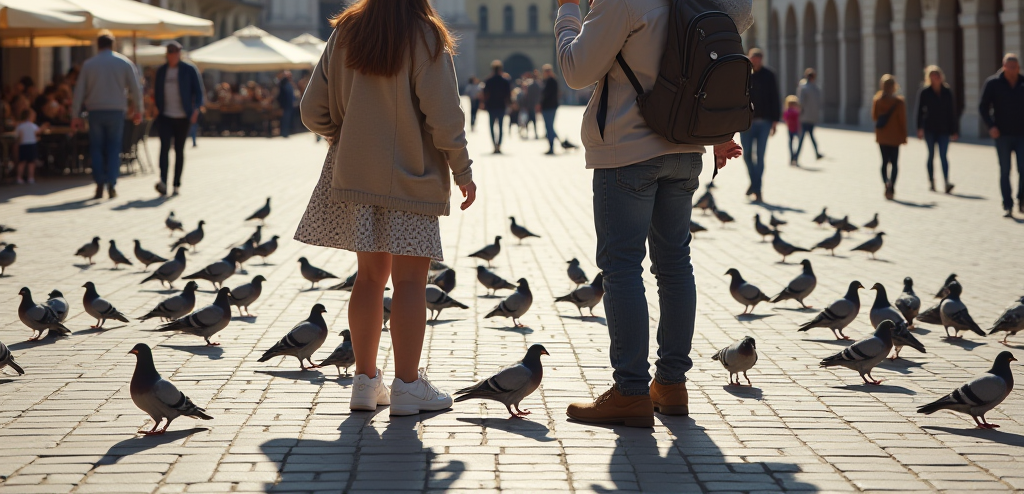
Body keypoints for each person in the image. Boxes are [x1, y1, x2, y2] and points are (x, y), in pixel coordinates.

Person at [555, 0, 749, 427]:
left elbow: (576, 70)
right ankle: (671, 385)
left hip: (628, 151)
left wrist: (568, 12)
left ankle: (629, 392)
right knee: (676, 267)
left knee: (622, 268)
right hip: (686, 149)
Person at [297, 0, 476, 416]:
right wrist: (462, 170)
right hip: (411, 177)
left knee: (369, 278)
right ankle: (408, 387)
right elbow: (445, 116)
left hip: (356, 175)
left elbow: (311, 110)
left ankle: (363, 382)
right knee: (411, 282)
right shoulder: (425, 33)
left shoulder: (346, 30)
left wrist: (345, 136)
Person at [71, 32, 143, 200]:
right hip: (117, 111)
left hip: (95, 110)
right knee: (113, 148)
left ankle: (99, 183)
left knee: (96, 147)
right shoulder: (124, 63)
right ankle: (111, 182)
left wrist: (75, 114)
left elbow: (79, 92)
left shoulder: (89, 65)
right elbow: (136, 89)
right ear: (113, 45)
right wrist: (139, 110)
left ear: (98, 45)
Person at [154, 41, 204, 197]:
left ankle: (176, 184)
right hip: (165, 115)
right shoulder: (162, 71)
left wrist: (196, 110)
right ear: (168, 54)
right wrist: (156, 107)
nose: (174, 55)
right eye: (171, 52)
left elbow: (199, 92)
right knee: (164, 149)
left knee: (179, 150)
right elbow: (156, 91)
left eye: (177, 52)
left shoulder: (189, 70)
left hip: (183, 116)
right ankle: (163, 181)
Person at [979, 53, 1024, 218]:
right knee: (1005, 170)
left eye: (1015, 67)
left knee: (1023, 170)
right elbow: (983, 107)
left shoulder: (1022, 82)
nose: (1013, 70)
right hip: (1002, 135)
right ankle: (1008, 204)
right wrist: (991, 126)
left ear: (1018, 67)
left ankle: (1022, 200)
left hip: (1021, 135)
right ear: (1004, 67)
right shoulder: (993, 83)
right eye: (1009, 67)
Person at [739, 48, 779, 203]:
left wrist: (775, 120)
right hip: (746, 123)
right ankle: (755, 183)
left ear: (761, 59)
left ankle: (757, 189)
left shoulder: (769, 75)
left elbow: (775, 97)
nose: (755, 61)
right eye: (753, 59)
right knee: (747, 154)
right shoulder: (743, 75)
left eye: (758, 59)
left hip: (764, 122)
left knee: (761, 156)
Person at [916, 65, 958, 194]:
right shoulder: (925, 92)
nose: (936, 77)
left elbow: (952, 112)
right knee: (931, 156)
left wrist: (954, 130)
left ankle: (946, 181)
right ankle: (931, 181)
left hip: (944, 129)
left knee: (944, 156)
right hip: (930, 128)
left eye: (938, 75)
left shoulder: (947, 91)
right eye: (933, 75)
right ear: (929, 78)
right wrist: (919, 128)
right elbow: (919, 111)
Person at [872, 74, 907, 201]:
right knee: (895, 163)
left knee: (884, 162)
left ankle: (885, 182)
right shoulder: (899, 102)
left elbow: (875, 117)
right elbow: (902, 121)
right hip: (895, 137)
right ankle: (892, 184)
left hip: (882, 136)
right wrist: (904, 137)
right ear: (894, 87)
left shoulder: (878, 100)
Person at [482, 60, 511, 153]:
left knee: (491, 126)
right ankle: (499, 145)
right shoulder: (505, 81)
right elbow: (508, 94)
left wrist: (484, 103)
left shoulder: (488, 80)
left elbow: (485, 93)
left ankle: (494, 145)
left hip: (491, 106)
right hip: (501, 106)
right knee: (501, 126)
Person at [796, 68, 824, 163]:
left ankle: (796, 157)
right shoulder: (816, 88)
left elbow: (801, 102)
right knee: (810, 135)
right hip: (812, 116)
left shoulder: (803, 87)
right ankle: (816, 153)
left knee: (802, 137)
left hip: (804, 116)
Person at [14, 109, 43, 184]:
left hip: (23, 145)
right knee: (31, 162)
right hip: (31, 145)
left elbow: (18, 135)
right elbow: (38, 131)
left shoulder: (20, 126)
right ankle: (31, 177)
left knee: (22, 162)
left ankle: (19, 177)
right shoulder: (33, 126)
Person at [540, 64, 560, 155]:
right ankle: (557, 142)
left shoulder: (550, 81)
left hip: (549, 107)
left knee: (549, 127)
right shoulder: (550, 81)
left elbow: (546, 95)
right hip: (550, 107)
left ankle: (552, 146)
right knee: (549, 126)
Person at [522, 72, 542, 139]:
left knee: (529, 120)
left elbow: (527, 96)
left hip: (530, 105)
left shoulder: (530, 86)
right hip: (534, 105)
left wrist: (526, 105)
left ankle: (528, 133)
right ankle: (535, 133)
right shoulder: (538, 85)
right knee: (533, 120)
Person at [782, 95, 801, 166]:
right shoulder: (795, 112)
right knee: (794, 143)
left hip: (793, 128)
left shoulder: (788, 112)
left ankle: (793, 156)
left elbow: (784, 118)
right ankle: (794, 156)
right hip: (793, 129)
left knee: (791, 143)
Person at [278, 71, 296, 138]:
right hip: (285, 106)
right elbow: (281, 96)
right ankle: (284, 132)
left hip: (289, 105)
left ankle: (286, 132)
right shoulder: (283, 84)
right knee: (285, 120)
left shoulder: (289, 84)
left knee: (287, 120)